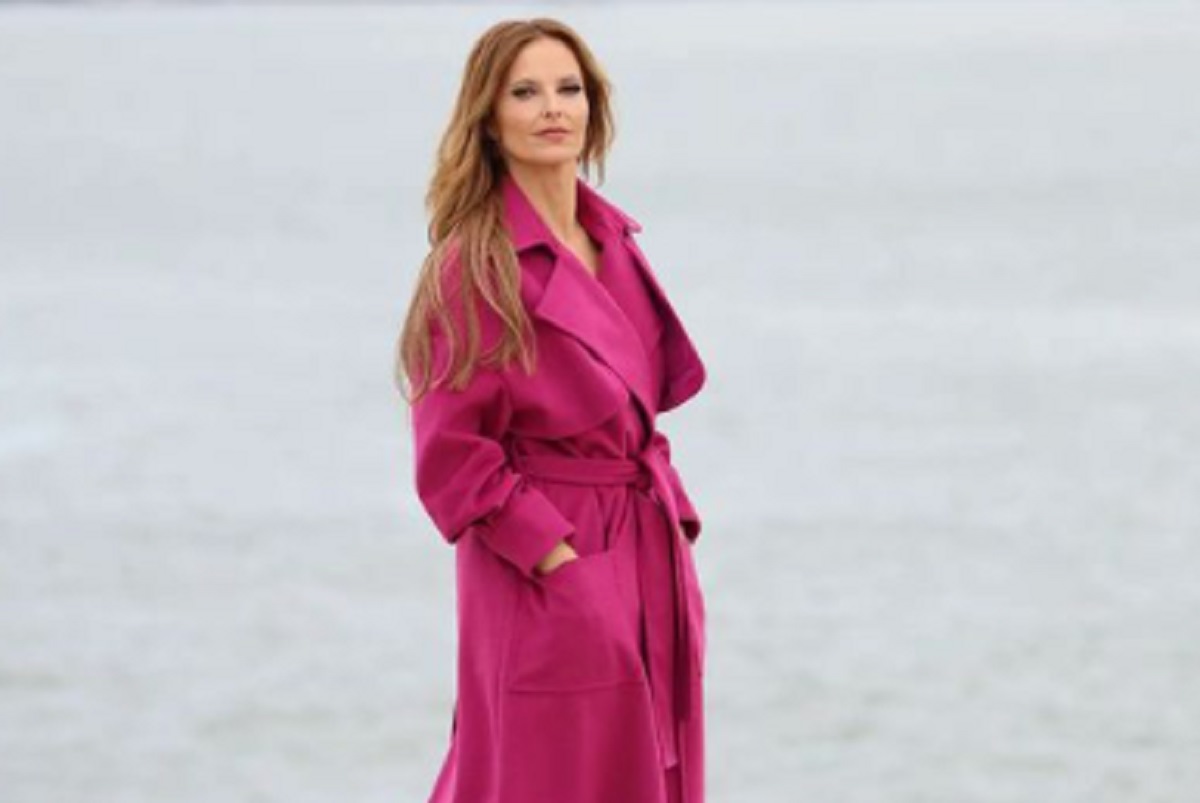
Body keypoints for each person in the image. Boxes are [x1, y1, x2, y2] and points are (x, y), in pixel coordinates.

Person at [395, 17, 709, 803]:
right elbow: (451, 459)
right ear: (489, 118)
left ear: (593, 107)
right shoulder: (474, 266)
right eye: (525, 93)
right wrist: (558, 564)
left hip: (641, 544)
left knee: (646, 773)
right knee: (532, 774)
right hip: (541, 563)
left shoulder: (616, 240)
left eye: (568, 89)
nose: (551, 109)